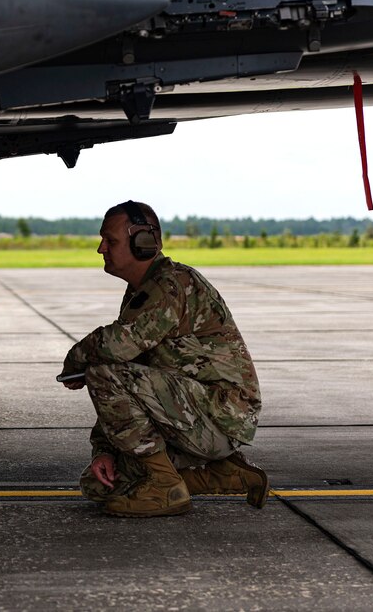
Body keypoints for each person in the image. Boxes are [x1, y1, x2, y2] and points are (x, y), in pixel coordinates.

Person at [59, 201, 267, 517]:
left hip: (221, 414)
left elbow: (117, 351)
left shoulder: (173, 285)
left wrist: (76, 360)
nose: (101, 248)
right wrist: (104, 451)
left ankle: (164, 486)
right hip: (194, 413)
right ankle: (223, 474)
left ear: (143, 243)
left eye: (110, 241)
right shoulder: (142, 290)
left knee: (102, 370)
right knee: (99, 483)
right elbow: (132, 375)